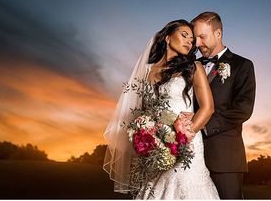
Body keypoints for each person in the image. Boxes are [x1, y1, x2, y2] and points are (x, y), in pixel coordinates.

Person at [103, 19, 219, 199]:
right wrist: (147, 137)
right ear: (167, 37)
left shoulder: (194, 67)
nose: (190, 41)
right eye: (184, 35)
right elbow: (142, 112)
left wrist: (182, 140)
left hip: (187, 144)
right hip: (157, 147)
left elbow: (208, 108)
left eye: (191, 38)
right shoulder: (147, 71)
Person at [190, 11, 256, 199]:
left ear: (218, 33)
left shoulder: (243, 65)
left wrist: (202, 125)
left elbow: (243, 109)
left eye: (202, 37)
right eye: (195, 38)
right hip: (190, 157)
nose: (197, 44)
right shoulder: (191, 66)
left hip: (225, 158)